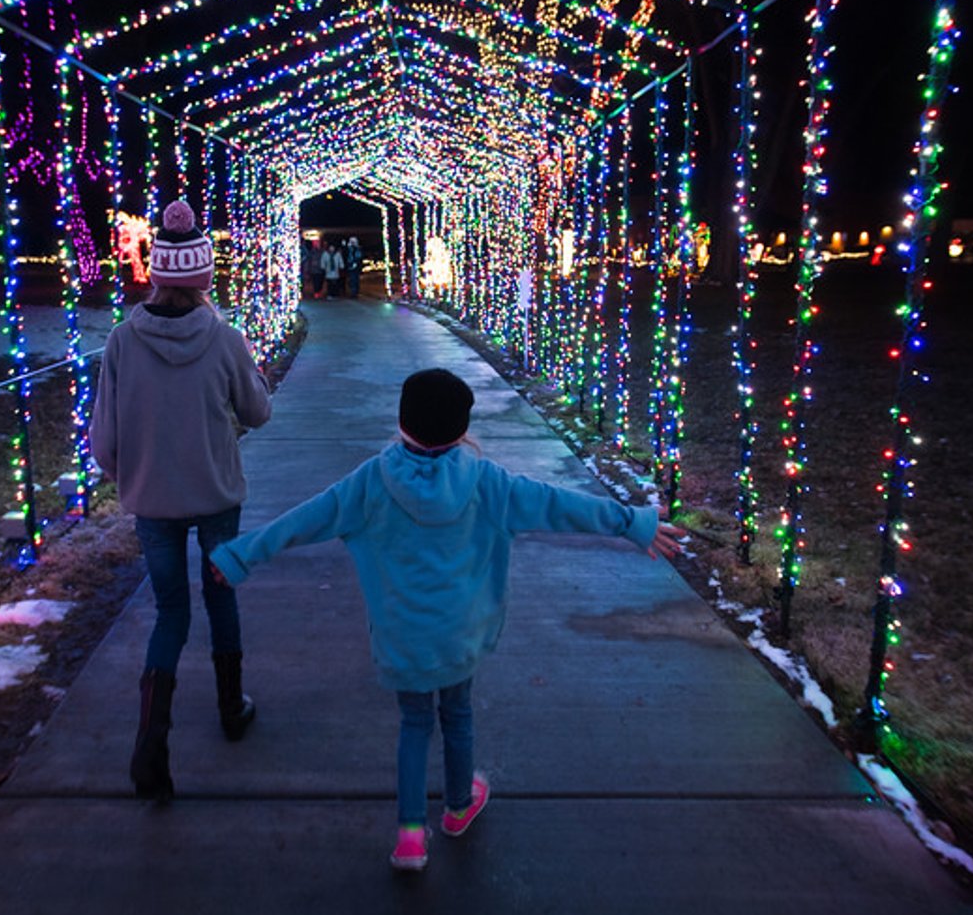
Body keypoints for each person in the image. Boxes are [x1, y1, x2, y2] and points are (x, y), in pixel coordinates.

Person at [209, 368, 685, 870]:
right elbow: (559, 504)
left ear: (401, 422)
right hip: (460, 636)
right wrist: (633, 523)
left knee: (414, 724)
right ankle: (459, 806)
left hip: (402, 638)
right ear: (462, 430)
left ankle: (411, 836)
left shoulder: (370, 483)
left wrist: (238, 556)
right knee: (457, 716)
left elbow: (302, 520)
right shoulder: (488, 483)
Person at [93, 199, 273, 801]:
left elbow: (104, 438)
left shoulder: (122, 340)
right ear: (203, 277)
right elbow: (257, 411)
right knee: (221, 599)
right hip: (216, 493)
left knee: (171, 612)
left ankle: (151, 742)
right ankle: (231, 708)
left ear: (158, 273)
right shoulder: (225, 339)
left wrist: (131, 476)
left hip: (153, 501)